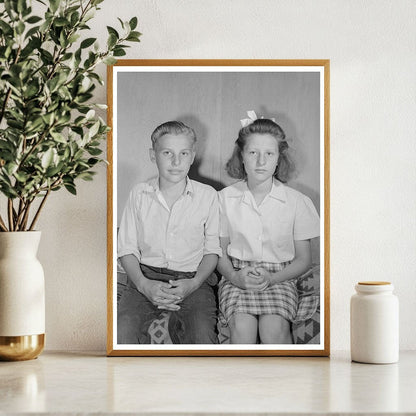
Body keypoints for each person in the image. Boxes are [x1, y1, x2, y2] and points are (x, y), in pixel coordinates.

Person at [217, 112, 320, 344]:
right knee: (242, 329)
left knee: (273, 328)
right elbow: (219, 253)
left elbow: (303, 259)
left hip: (280, 277)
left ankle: (280, 381)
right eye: (253, 153)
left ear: (278, 159)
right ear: (241, 156)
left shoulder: (297, 202)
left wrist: (273, 279)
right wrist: (235, 277)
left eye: (269, 154)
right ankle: (240, 380)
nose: (261, 161)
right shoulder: (224, 199)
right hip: (237, 275)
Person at [117, 121, 221, 344]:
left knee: (202, 335)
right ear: (153, 155)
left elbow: (212, 250)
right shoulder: (139, 194)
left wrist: (193, 284)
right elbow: (126, 249)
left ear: (192, 156)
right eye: (167, 153)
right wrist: (144, 285)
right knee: (123, 332)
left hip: (193, 279)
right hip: (145, 275)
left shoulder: (209, 196)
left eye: (183, 153)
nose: (176, 161)